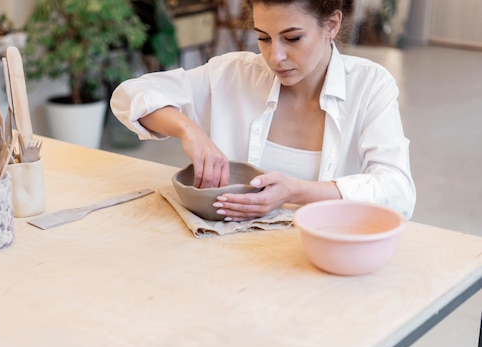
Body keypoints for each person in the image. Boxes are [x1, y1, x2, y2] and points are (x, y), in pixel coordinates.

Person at [110, 0, 416, 221]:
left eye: (292, 38)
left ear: (332, 24)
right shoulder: (233, 74)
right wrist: (188, 130)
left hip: (324, 260)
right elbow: (129, 95)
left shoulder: (369, 85)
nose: (275, 56)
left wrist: (295, 191)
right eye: (263, 38)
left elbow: (398, 191)